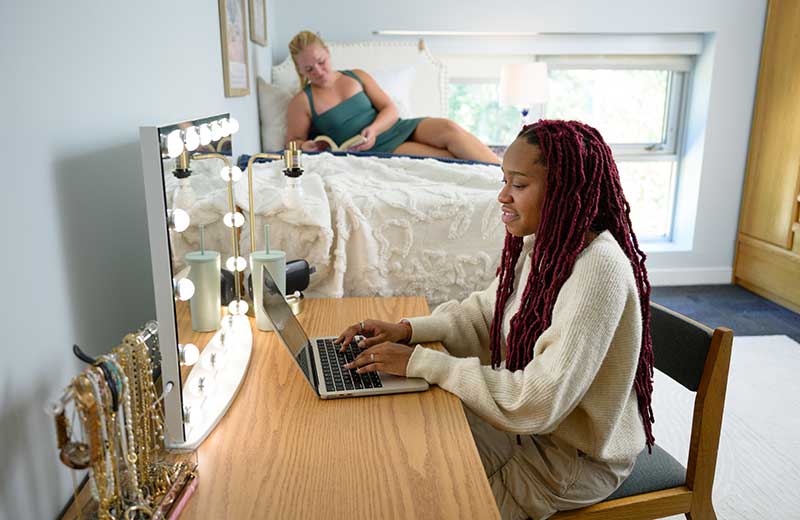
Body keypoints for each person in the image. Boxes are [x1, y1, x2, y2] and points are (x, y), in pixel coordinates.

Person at [334, 120, 655, 519]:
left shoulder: (598, 269)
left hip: (566, 462)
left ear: (565, 191)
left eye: (518, 185)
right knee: (400, 440)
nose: (502, 196)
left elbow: (537, 401)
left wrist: (422, 363)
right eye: (504, 180)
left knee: (417, 497)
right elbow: (486, 312)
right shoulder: (546, 246)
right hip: (530, 435)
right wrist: (409, 330)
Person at [285, 31, 500, 163]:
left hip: (395, 126)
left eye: (321, 62)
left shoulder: (357, 75)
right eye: (309, 69)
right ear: (300, 71)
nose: (319, 72)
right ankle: (501, 178)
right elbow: (292, 142)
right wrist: (306, 146)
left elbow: (389, 108)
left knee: (449, 129)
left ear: (328, 52)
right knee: (446, 157)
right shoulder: (302, 101)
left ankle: (505, 170)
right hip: (378, 147)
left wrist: (374, 129)